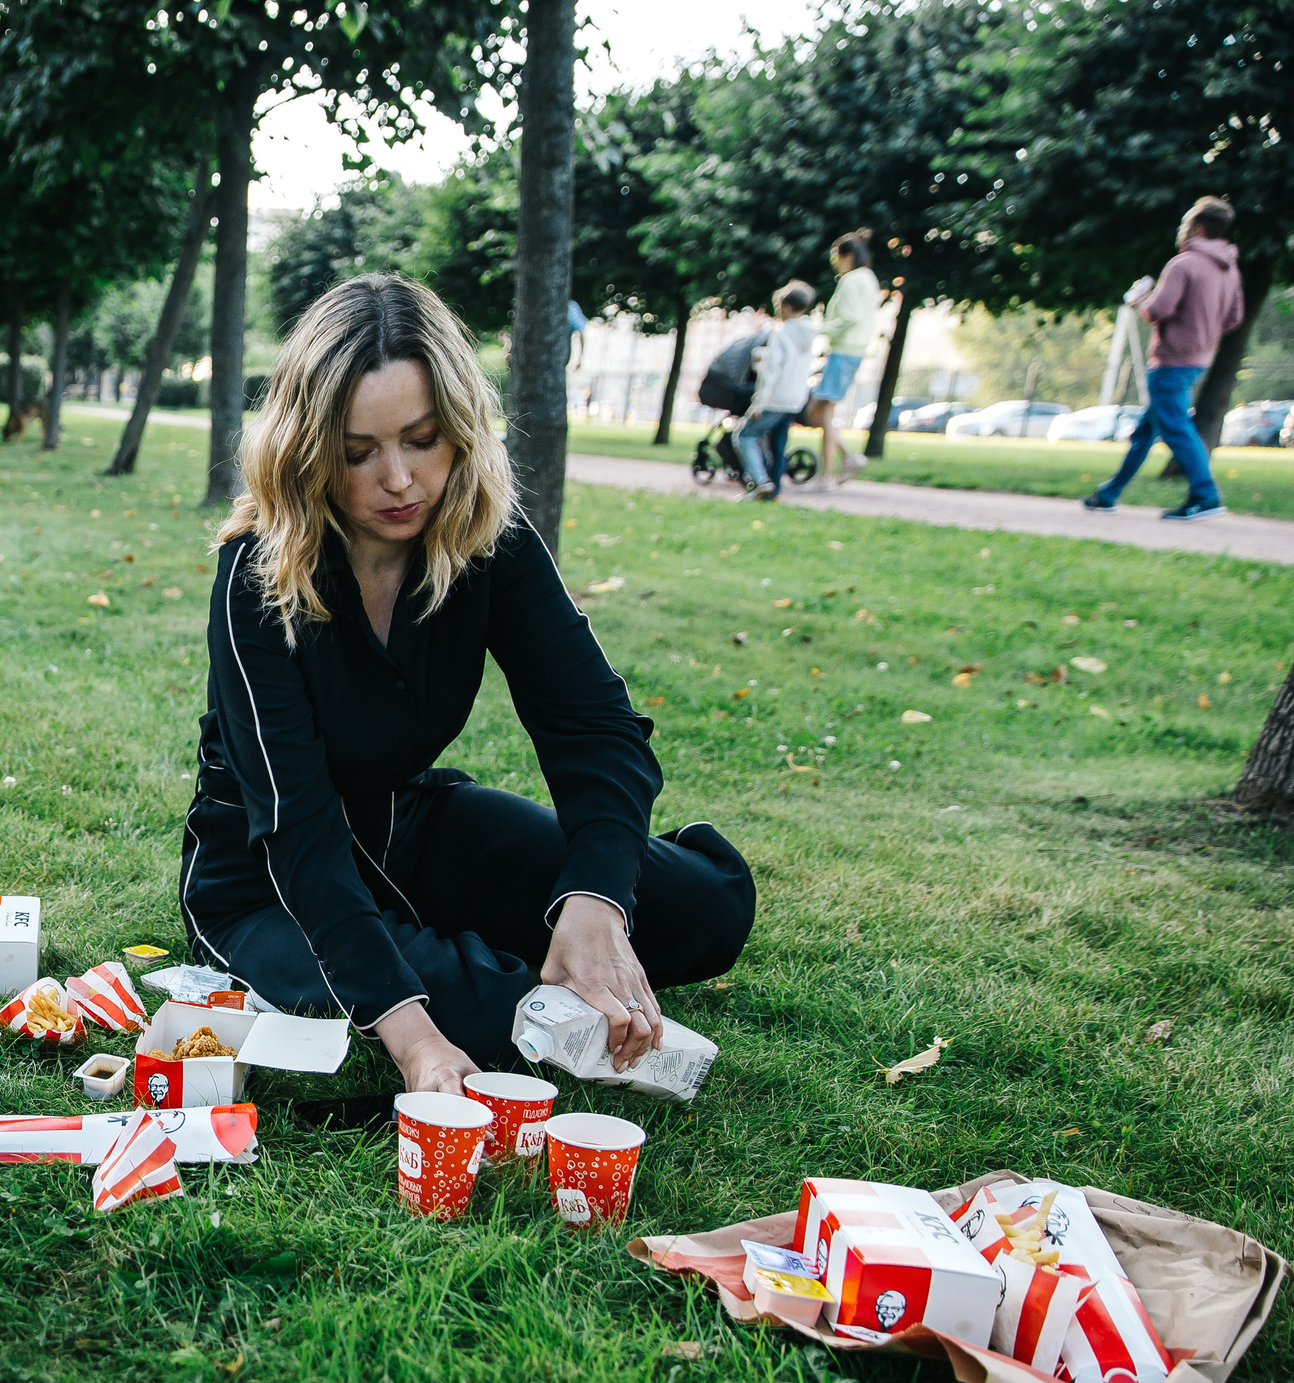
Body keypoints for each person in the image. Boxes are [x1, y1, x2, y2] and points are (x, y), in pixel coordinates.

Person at [177, 274, 755, 1096]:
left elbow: (594, 726)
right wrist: (416, 1040)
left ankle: (531, 948)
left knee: (703, 909)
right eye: (358, 452)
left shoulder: (490, 540)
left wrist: (595, 903)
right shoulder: (255, 576)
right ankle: (491, 973)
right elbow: (299, 830)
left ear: (458, 428)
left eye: (422, 440)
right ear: (309, 450)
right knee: (490, 1017)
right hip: (268, 881)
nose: (399, 479)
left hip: (410, 830)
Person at [1084, 196, 1243, 523]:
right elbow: (1234, 318)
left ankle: (1206, 496)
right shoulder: (1230, 269)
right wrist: (1205, 332)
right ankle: (1109, 494)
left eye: (1187, 221)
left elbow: (1158, 310)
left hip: (1171, 360)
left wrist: (1140, 299)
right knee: (1146, 431)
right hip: (1199, 359)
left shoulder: (1183, 264)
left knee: (1176, 428)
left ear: (1198, 227)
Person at [737, 282, 817, 501]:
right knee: (778, 445)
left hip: (775, 398)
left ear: (787, 307)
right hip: (795, 399)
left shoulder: (781, 334)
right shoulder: (809, 335)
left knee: (744, 435)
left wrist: (758, 403)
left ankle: (761, 482)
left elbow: (770, 373)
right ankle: (774, 492)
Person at [816, 233, 880, 483]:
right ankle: (845, 458)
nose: (834, 262)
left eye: (836, 256)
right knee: (817, 411)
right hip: (853, 349)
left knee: (824, 413)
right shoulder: (868, 277)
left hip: (844, 350)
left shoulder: (851, 280)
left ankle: (829, 473)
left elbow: (850, 317)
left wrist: (821, 331)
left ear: (848, 256)